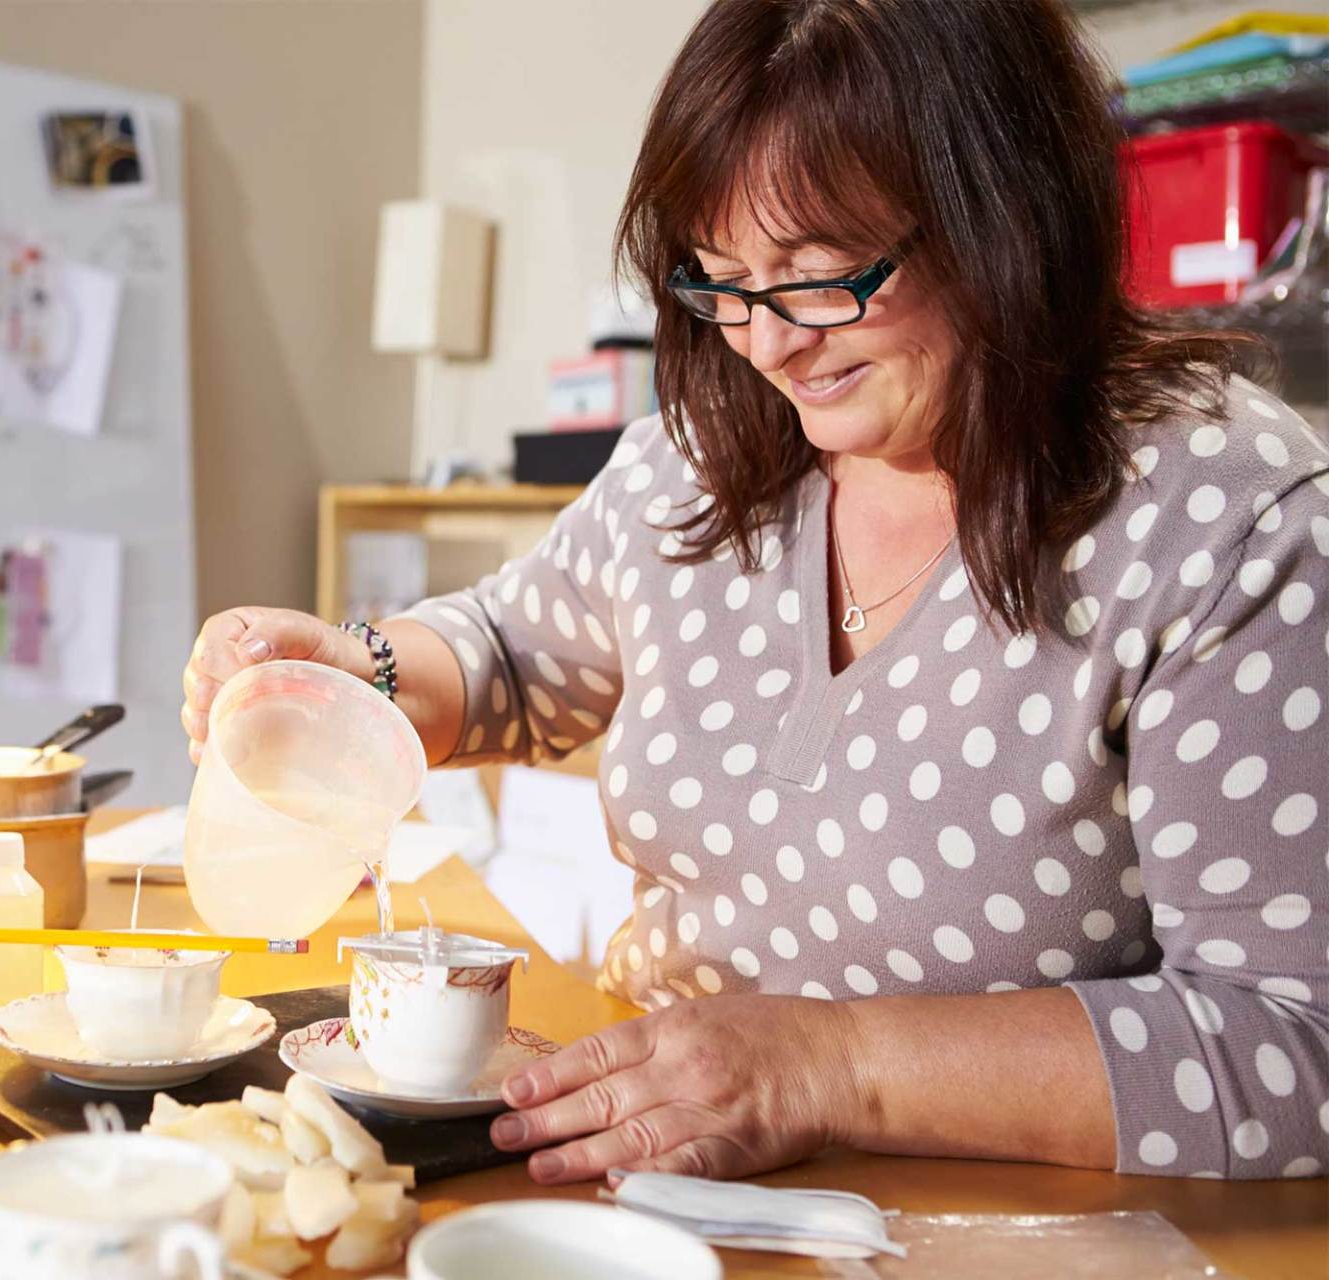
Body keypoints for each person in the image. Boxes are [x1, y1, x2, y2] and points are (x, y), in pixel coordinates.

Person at [182, 0, 1327, 1183]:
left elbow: (1298, 1042)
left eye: (821, 278)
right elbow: (508, 657)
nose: (768, 346)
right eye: (721, 282)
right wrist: (356, 674)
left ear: (1007, 213)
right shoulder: (703, 459)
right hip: (660, 1178)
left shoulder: (1218, 513)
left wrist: (832, 1065)